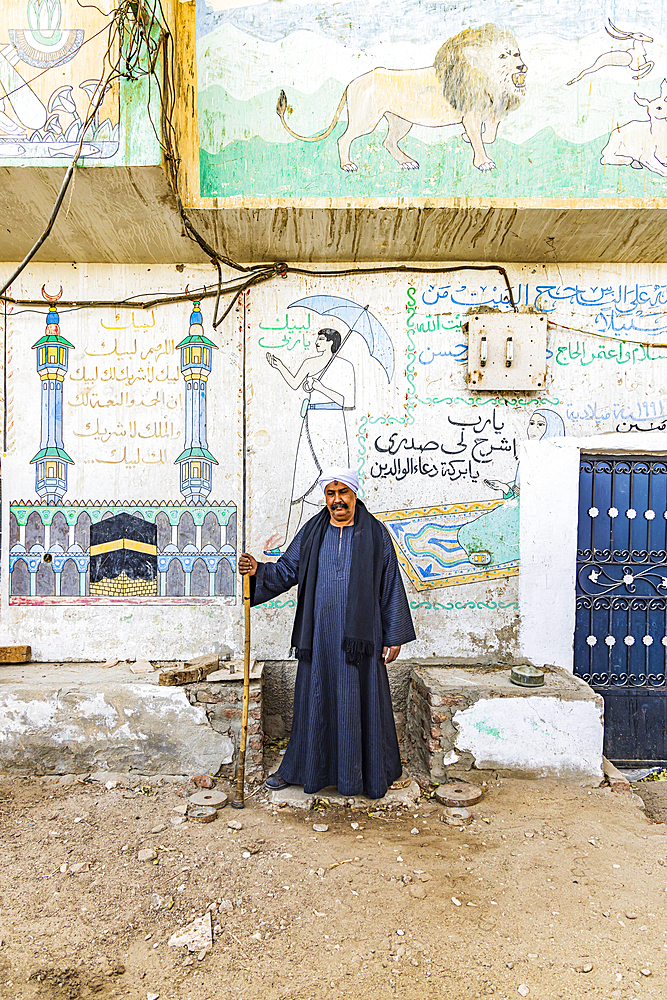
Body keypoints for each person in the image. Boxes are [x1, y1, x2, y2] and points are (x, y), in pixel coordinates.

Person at [239, 467, 416, 800]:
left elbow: (390, 584)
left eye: (343, 493)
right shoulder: (313, 531)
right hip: (318, 638)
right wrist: (257, 571)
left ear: (354, 494)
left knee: (359, 700)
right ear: (326, 497)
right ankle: (301, 770)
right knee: (315, 700)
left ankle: (367, 773)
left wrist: (393, 636)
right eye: (331, 494)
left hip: (361, 642)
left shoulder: (376, 534)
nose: (337, 501)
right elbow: (287, 570)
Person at [265, 329, 355, 553]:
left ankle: (338, 542)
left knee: (336, 482)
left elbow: (348, 400)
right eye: (317, 339)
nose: (317, 342)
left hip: (332, 423)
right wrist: (279, 366)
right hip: (311, 420)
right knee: (300, 483)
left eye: (322, 340)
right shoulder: (310, 362)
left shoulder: (343, 366)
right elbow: (295, 382)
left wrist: (320, 387)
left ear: (332, 342)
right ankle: (289, 544)